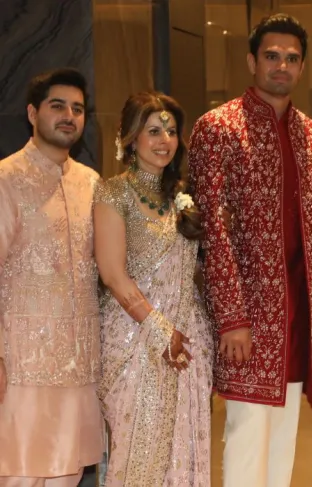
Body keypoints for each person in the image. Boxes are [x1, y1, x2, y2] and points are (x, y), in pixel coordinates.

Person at [188, 13, 312, 487]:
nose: (282, 66)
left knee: (284, 442)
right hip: (248, 319)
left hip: (297, 315)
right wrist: (231, 317)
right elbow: (213, 231)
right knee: (247, 440)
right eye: (272, 56)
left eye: (292, 58)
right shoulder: (218, 128)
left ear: (302, 66)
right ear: (252, 61)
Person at [94, 92, 212, 486]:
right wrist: (161, 331)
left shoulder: (182, 196)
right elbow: (113, 274)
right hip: (134, 342)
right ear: (130, 137)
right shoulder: (114, 193)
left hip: (188, 343)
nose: (164, 141)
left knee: (184, 456)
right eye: (154, 131)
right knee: (138, 457)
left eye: (172, 131)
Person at [0, 68, 103, 487]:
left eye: (77, 109)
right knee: (20, 473)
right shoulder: (6, 179)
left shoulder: (91, 183)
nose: (69, 116)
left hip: (80, 366)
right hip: (22, 367)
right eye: (57, 106)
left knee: (69, 473)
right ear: (32, 113)